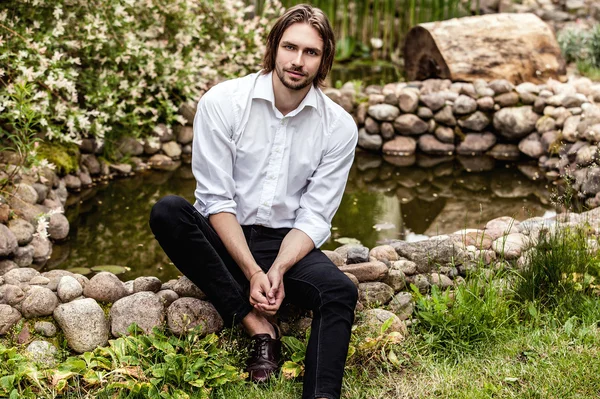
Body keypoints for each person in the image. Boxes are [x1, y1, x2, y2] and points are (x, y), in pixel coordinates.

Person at [149, 4, 358, 399]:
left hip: (287, 242)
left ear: (324, 58)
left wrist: (277, 267)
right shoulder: (223, 102)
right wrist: (250, 271)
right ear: (274, 47)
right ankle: (258, 328)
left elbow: (315, 214)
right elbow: (215, 198)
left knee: (340, 292)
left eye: (311, 52)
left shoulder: (338, 127)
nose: (298, 61)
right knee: (169, 212)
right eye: (290, 47)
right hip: (225, 236)